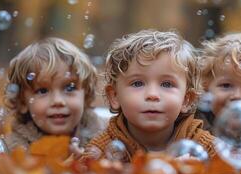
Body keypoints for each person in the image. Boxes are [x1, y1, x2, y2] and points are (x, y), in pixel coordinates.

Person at [80, 30, 215, 162]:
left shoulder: (202, 145)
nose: (152, 95)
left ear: (186, 100)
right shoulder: (103, 148)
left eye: (167, 84)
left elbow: (232, 172)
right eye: (138, 83)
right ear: (115, 96)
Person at [3, 37, 107, 151]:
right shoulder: (15, 149)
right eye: (42, 91)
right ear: (22, 102)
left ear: (85, 95)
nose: (58, 101)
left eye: (69, 88)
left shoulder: (104, 137)